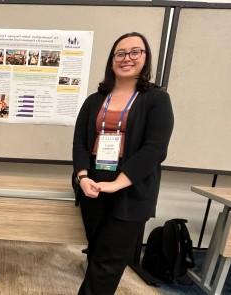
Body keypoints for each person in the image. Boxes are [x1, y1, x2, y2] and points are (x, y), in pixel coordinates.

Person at [72, 32, 174, 294]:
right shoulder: (94, 101)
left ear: (145, 58)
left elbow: (155, 149)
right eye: (120, 53)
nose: (127, 58)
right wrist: (83, 177)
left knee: (108, 261)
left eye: (135, 52)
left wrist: (118, 183)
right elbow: (80, 144)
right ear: (111, 60)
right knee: (97, 251)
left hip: (132, 187)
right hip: (92, 185)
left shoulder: (157, 99)